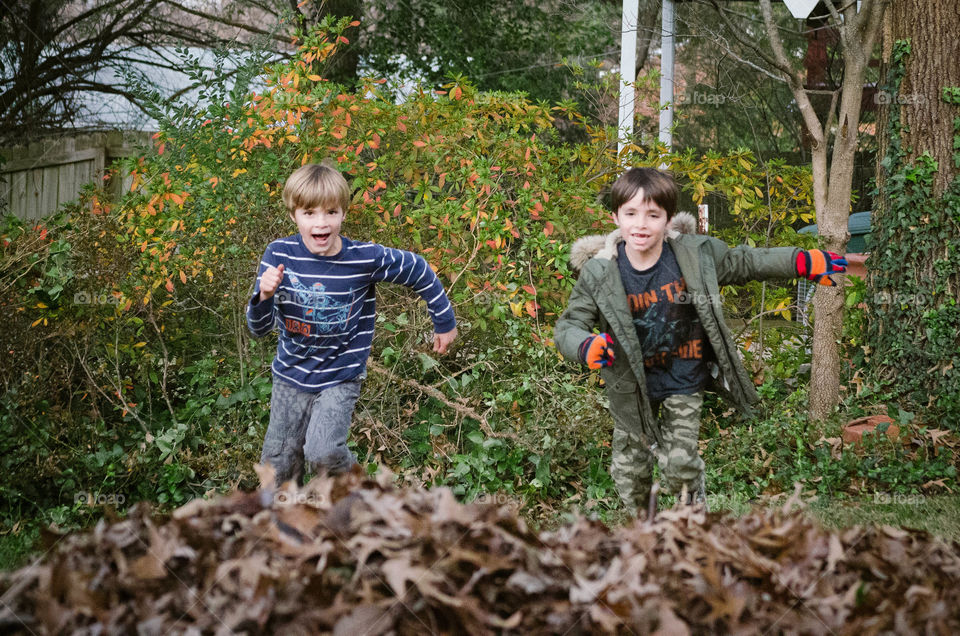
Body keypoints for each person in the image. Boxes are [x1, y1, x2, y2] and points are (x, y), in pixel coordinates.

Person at [554, 167, 845, 512]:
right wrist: (584, 345)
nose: (641, 225)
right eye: (630, 214)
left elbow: (745, 261)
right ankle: (645, 532)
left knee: (680, 465)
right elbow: (569, 325)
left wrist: (799, 260)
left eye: (653, 215)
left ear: (668, 218)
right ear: (616, 216)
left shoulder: (695, 255)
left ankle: (693, 522)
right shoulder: (600, 271)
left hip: (683, 375)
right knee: (631, 472)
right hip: (630, 386)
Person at [247, 161, 458, 484]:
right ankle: (283, 526)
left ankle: (359, 489)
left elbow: (417, 268)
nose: (321, 222)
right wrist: (264, 295)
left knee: (322, 451)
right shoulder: (279, 254)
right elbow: (258, 329)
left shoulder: (363, 259)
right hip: (291, 376)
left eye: (331, 212)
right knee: (278, 464)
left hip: (340, 376)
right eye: (310, 213)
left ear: (344, 213)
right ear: (293, 215)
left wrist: (443, 321)